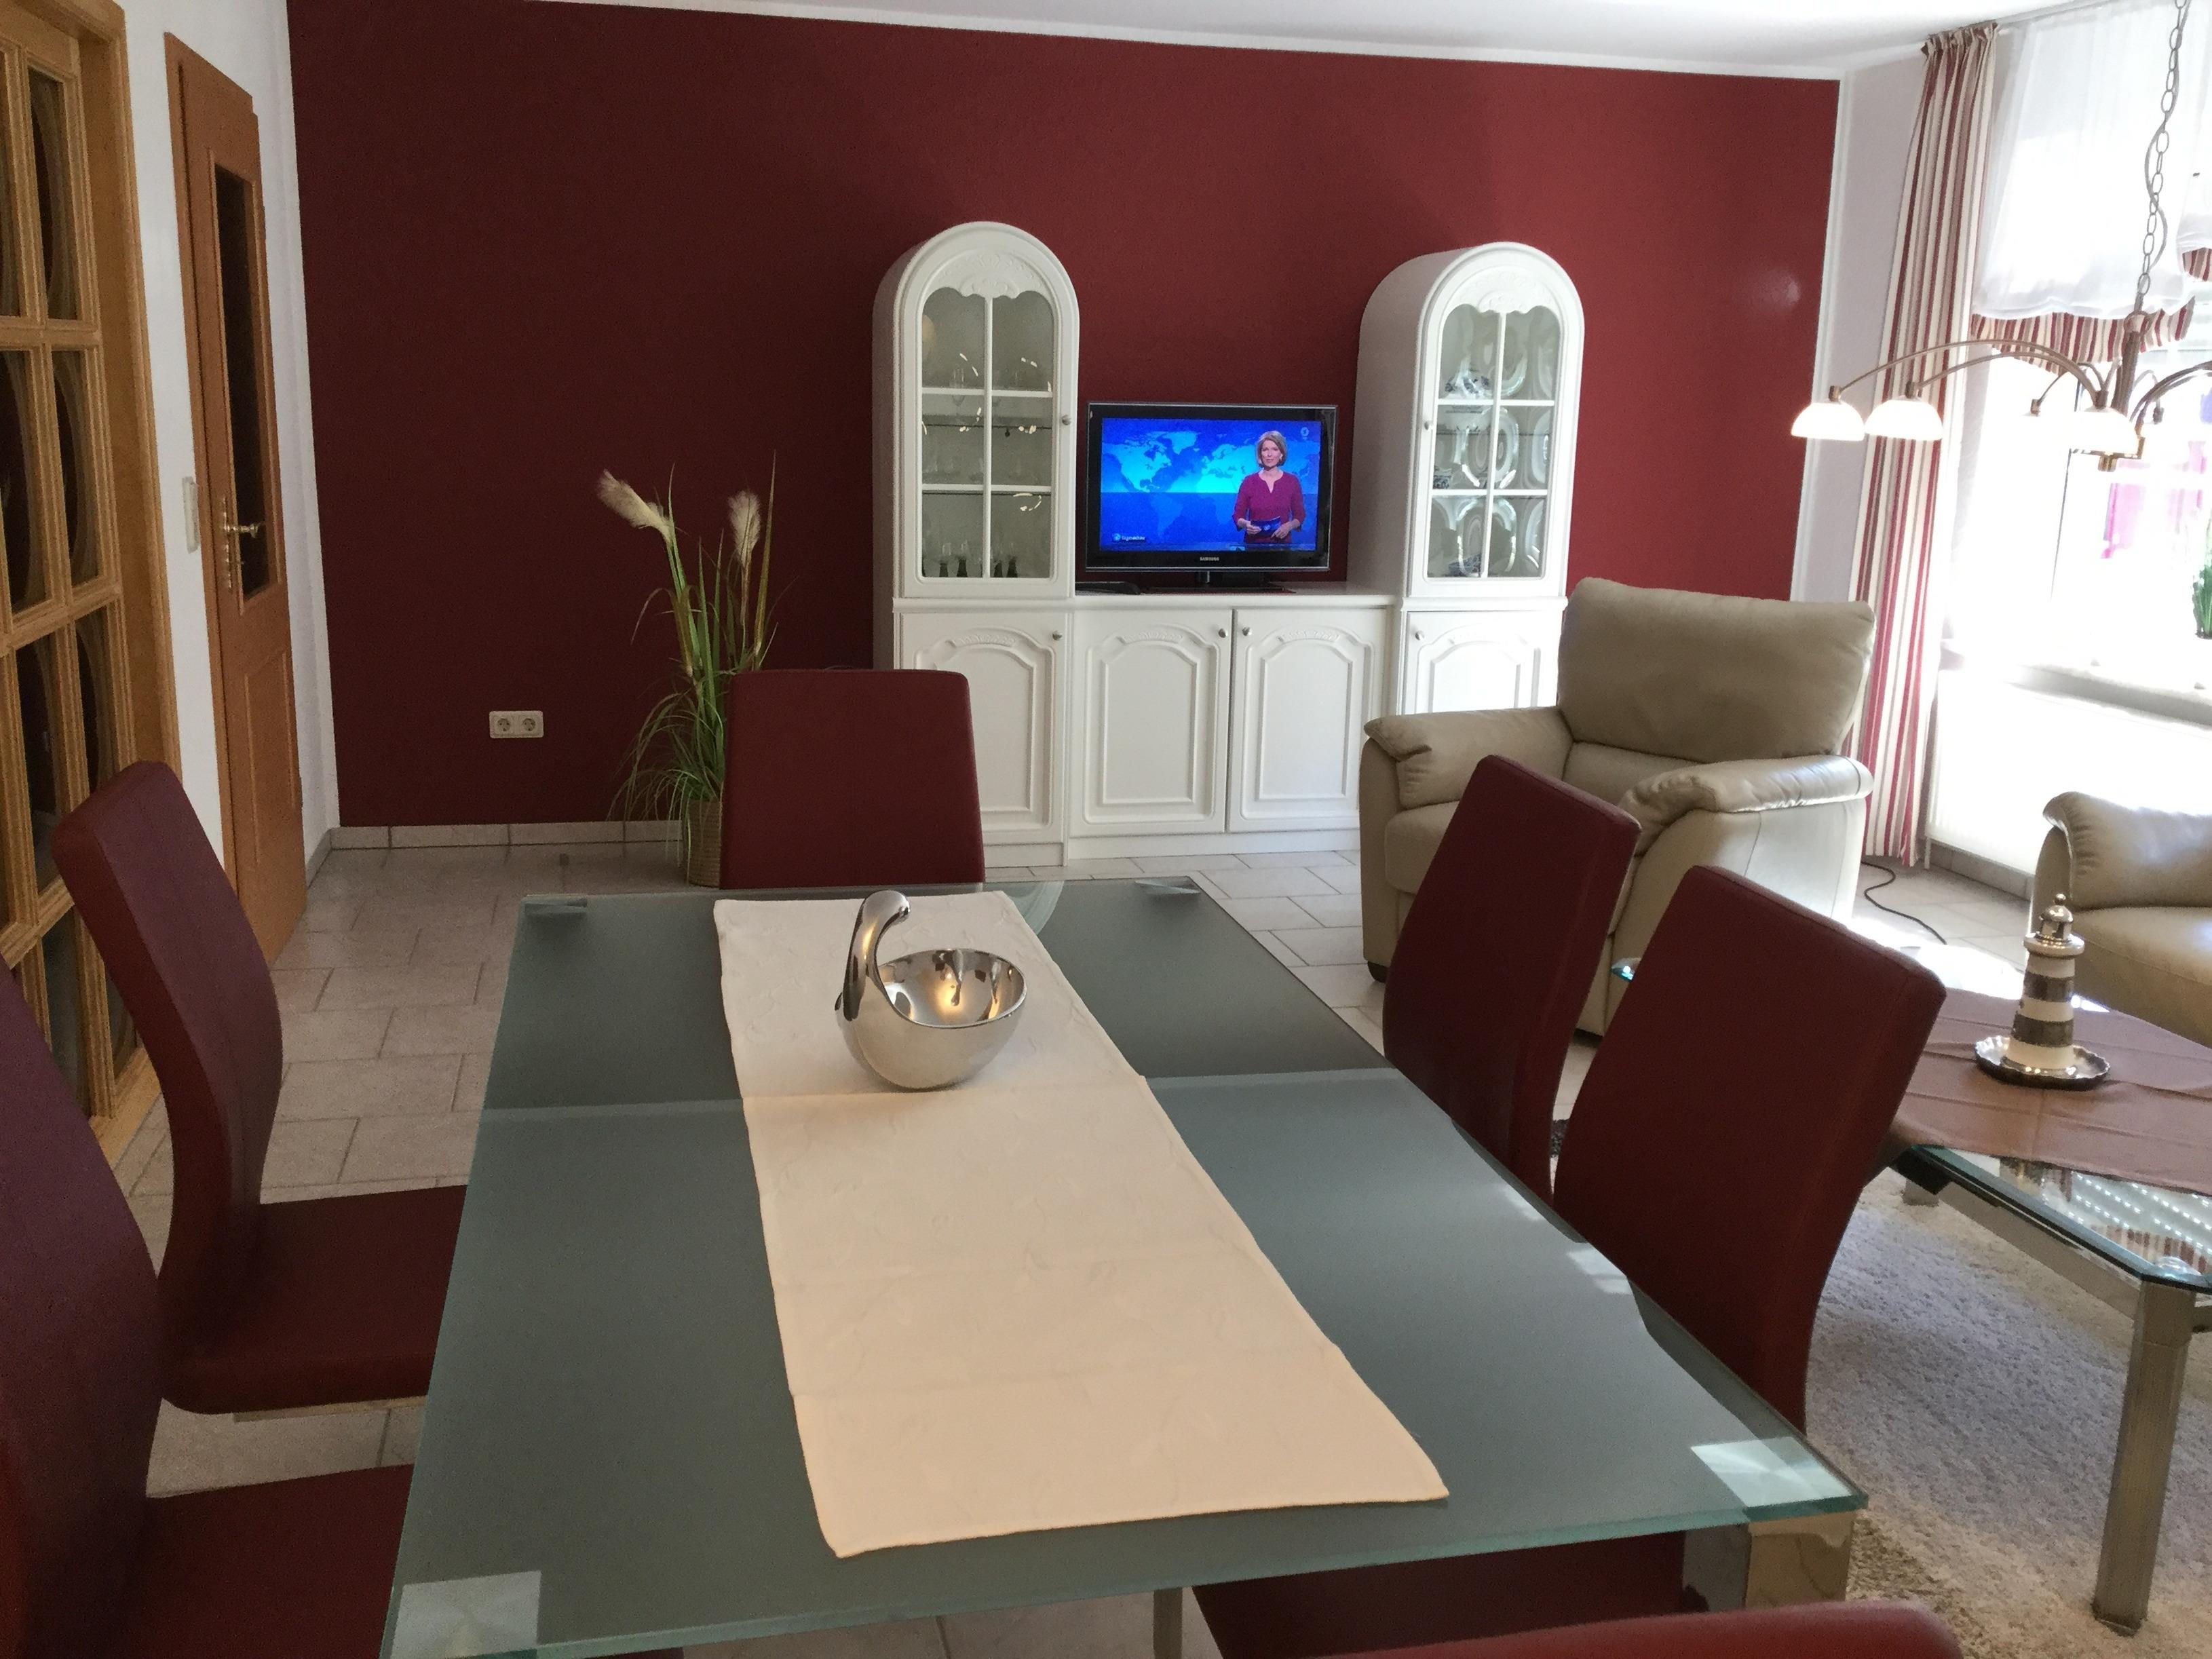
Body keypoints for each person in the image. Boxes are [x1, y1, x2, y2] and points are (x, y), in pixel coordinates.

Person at [1230, 431, 1305, 544]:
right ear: (1260, 454)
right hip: (1254, 546)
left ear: (1281, 454)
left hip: (1282, 547)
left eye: (1275, 449)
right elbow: (1238, 516)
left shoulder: (1292, 481)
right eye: (1265, 450)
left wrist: (1289, 526)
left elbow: (1299, 516)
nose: (1269, 454)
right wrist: (1247, 525)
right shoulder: (1249, 482)